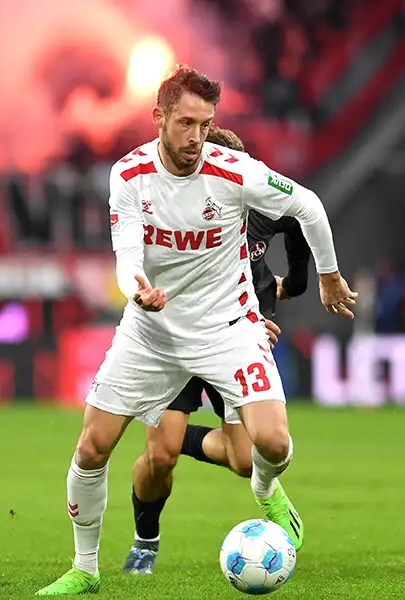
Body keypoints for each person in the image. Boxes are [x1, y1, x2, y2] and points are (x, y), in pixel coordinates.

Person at [35, 65, 357, 595]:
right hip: (152, 332)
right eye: (186, 123)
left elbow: (308, 205)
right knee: (93, 448)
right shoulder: (129, 173)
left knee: (272, 445)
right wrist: (138, 287)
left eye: (206, 125)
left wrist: (328, 277)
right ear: (158, 117)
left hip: (228, 328)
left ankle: (265, 486)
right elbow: (127, 254)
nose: (196, 137)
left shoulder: (234, 170)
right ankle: (85, 569)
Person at [122, 125, 313, 575]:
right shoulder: (166, 212)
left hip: (229, 339)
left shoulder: (257, 208)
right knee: (160, 456)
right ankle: (145, 542)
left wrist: (294, 285)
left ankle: (205, 450)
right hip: (172, 336)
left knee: (245, 459)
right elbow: (135, 266)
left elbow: (301, 216)